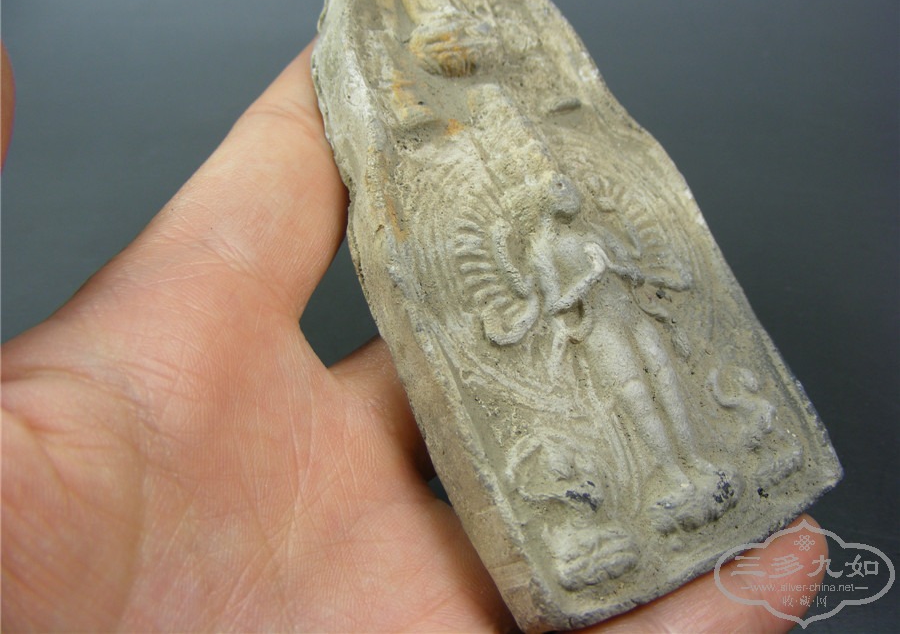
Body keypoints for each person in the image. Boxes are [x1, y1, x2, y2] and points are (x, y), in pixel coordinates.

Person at [1, 41, 825, 632]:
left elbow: (642, 264)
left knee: (669, 387)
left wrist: (632, 267)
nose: (557, 181)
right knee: (635, 398)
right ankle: (665, 480)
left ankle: (699, 463)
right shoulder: (542, 242)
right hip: (591, 328)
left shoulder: (582, 224)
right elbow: (548, 295)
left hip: (627, 315)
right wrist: (583, 279)